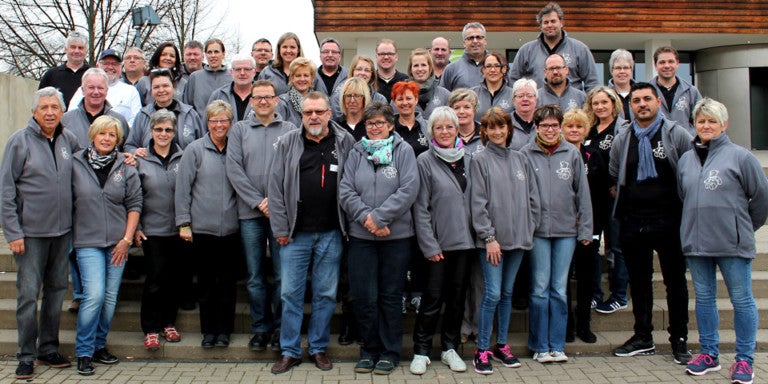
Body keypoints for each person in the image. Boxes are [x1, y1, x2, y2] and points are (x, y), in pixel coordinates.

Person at [679, 98, 768, 384]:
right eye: (701, 121)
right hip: (696, 243)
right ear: (694, 124)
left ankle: (744, 359)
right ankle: (709, 354)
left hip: (732, 244)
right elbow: (685, 196)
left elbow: (761, 199)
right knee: (704, 300)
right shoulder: (686, 159)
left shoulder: (741, 157)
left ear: (724, 125)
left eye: (712, 121)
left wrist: (742, 228)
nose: (706, 125)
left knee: (741, 300)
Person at [268, 92, 355, 374]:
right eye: (308, 113)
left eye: (319, 111)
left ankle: (318, 348)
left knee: (326, 294)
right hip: (295, 234)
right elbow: (276, 188)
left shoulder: (344, 142)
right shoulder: (287, 143)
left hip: (332, 232)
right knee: (290, 294)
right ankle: (290, 350)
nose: (313, 117)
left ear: (330, 113)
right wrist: (280, 228)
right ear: (301, 116)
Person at [609, 82, 692, 364]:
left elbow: (689, 170)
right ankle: (643, 336)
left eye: (647, 99)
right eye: (636, 100)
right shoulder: (623, 137)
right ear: (629, 105)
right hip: (634, 221)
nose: (641, 104)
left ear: (658, 102)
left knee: (675, 283)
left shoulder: (676, 134)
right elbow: (614, 170)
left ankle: (678, 338)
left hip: (670, 221)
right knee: (640, 283)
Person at [1, 87, 79, 380]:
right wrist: (13, 232)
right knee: (28, 295)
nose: (49, 112)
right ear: (34, 112)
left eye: (54, 108)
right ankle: (26, 355)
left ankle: (48, 348)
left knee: (57, 291)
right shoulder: (18, 142)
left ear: (61, 113)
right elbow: (6, 191)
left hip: (62, 233)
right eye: (44, 107)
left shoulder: (67, 140)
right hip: (30, 235)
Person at [340, 102, 419, 375]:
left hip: (395, 238)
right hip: (362, 238)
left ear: (390, 125)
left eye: (379, 123)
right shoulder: (356, 152)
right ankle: (369, 350)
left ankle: (389, 352)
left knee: (389, 296)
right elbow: (346, 190)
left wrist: (381, 218)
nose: (374, 128)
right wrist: (367, 219)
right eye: (370, 123)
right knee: (364, 296)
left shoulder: (404, 151)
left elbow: (408, 189)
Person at [226, 80, 296, 353]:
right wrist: (258, 202)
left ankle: (280, 329)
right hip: (249, 214)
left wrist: (274, 203)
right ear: (251, 101)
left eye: (269, 96)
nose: (264, 101)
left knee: (282, 276)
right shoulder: (240, 130)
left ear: (277, 100)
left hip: (281, 215)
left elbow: (293, 171)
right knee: (255, 276)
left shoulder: (290, 130)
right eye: (258, 97)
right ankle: (260, 329)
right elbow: (234, 170)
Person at [470, 107, 540, 375]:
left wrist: (529, 227)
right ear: (485, 132)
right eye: (492, 127)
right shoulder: (479, 160)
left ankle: (501, 345)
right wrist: (488, 237)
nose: (497, 132)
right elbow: (478, 203)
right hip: (493, 243)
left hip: (519, 240)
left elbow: (532, 198)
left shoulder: (520, 159)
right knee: (492, 294)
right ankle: (482, 349)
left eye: (502, 127)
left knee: (508, 294)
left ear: (509, 129)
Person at [71, 115, 141, 375]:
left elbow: (134, 205)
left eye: (112, 135)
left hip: (116, 243)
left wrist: (126, 239)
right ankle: (84, 351)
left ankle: (99, 345)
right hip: (87, 242)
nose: (106, 139)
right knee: (95, 295)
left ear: (118, 140)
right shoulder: (76, 163)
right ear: (93, 135)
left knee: (110, 299)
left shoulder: (126, 165)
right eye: (102, 134)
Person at [523, 104, 592, 364]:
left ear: (560, 127)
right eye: (544, 126)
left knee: (559, 290)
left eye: (554, 125)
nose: (550, 130)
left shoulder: (572, 155)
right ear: (536, 127)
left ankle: (557, 344)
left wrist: (585, 228)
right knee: (540, 288)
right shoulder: (525, 154)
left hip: (566, 232)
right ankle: (540, 345)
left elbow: (582, 195)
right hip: (537, 232)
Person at [408, 106, 473, 375]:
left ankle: (450, 348)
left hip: (466, 243)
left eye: (449, 127)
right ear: (431, 131)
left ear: (457, 129)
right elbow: (420, 208)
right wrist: (429, 245)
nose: (444, 132)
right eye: (438, 127)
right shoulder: (424, 160)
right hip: (438, 245)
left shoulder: (470, 159)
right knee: (432, 299)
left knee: (457, 299)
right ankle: (421, 351)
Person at [175, 100, 239, 349]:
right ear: (207, 122)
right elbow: (182, 189)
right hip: (202, 229)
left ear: (230, 123)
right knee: (206, 284)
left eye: (224, 120)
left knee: (227, 284)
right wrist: (183, 223)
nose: (219, 125)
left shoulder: (236, 147)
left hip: (232, 230)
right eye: (214, 120)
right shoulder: (195, 149)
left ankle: (224, 331)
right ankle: (208, 331)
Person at [135, 109, 187, 351]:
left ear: (174, 132)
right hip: (152, 230)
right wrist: (136, 227)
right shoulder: (138, 160)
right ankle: (151, 328)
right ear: (151, 131)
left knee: (174, 279)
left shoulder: (184, 157)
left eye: (168, 130)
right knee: (155, 280)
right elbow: (133, 197)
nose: (163, 134)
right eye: (159, 129)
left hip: (178, 229)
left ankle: (168, 322)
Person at [561, 108, 608, 344]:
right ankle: (567, 325)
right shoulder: (557, 155)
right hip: (565, 227)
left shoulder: (594, 156)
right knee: (564, 279)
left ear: (585, 130)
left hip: (590, 227)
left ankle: (584, 324)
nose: (574, 130)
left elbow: (600, 194)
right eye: (570, 126)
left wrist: (594, 225)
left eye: (579, 127)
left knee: (587, 279)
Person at [583, 86, 630, 315]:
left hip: (613, 197)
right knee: (591, 246)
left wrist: (618, 186)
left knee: (617, 247)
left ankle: (619, 295)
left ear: (613, 103)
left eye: (604, 102)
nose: (600, 107)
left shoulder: (623, 129)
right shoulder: (588, 130)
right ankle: (594, 294)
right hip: (591, 198)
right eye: (596, 103)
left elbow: (627, 160)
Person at [508, 2, 599, 93]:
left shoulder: (580, 49)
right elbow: (513, 81)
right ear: (540, 26)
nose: (550, 25)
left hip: (571, 106)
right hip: (538, 105)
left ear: (561, 23)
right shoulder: (526, 50)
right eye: (546, 22)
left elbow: (592, 83)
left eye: (553, 21)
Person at [125, 68, 203, 154]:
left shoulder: (190, 114)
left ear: (173, 87)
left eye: (165, 86)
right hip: (151, 165)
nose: (161, 90)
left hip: (185, 165)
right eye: (156, 87)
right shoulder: (143, 115)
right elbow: (129, 146)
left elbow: (202, 145)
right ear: (151, 90)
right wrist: (135, 151)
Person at [69, 49, 142, 128]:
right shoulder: (84, 89)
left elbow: (136, 121)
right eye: (106, 63)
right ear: (98, 66)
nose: (110, 67)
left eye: (115, 64)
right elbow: (72, 116)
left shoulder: (131, 91)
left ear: (121, 68)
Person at [62, 68, 130, 151]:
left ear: (107, 90)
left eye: (100, 88)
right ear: (83, 90)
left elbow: (127, 149)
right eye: (91, 87)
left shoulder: (119, 120)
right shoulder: (66, 120)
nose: (96, 92)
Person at [649, 46, 702, 135]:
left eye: (671, 61)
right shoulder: (646, 91)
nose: (667, 65)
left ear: (677, 63)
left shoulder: (691, 91)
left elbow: (701, 119)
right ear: (655, 65)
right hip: (657, 146)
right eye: (662, 62)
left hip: (686, 146)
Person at [38, 31, 90, 106]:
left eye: (80, 48)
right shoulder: (51, 75)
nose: (76, 51)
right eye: (73, 47)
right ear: (66, 49)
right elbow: (41, 103)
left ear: (86, 51)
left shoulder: (93, 74)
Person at [330, 55, 387, 119]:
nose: (362, 73)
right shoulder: (339, 96)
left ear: (372, 75)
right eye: (359, 69)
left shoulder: (380, 99)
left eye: (367, 70)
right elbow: (336, 121)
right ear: (352, 71)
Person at [184, 39, 232, 114]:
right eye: (209, 52)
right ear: (205, 55)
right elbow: (187, 106)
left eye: (216, 52)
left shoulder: (232, 77)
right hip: (200, 124)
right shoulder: (195, 77)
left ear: (223, 53)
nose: (213, 55)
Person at [207, 54, 256, 122]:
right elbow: (207, 124)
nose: (242, 73)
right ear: (231, 72)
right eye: (238, 69)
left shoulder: (264, 96)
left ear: (254, 72)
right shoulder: (218, 95)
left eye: (247, 69)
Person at [440, 22, 487, 91]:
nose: (475, 41)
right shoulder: (452, 69)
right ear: (464, 43)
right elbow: (443, 98)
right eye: (470, 38)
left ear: (485, 41)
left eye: (479, 37)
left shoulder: (496, 67)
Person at [405, 48, 450, 119]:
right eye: (416, 65)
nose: (420, 69)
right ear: (410, 69)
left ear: (430, 68)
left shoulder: (444, 95)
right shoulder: (400, 94)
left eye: (423, 65)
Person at [392, 81, 430, 158]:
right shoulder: (390, 128)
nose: (405, 103)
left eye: (408, 98)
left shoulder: (428, 126)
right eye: (400, 99)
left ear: (416, 100)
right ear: (394, 102)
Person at [471, 52, 513, 120]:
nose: (492, 70)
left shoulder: (513, 95)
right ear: (483, 70)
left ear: (504, 69)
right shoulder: (472, 94)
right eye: (488, 66)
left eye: (497, 66)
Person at [278, 57, 318, 127]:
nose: (302, 79)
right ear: (292, 78)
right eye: (298, 76)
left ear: (312, 78)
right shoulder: (282, 102)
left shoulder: (319, 101)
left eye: (306, 75)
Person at [509, 78, 539, 150]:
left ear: (536, 99)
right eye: (520, 96)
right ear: (513, 100)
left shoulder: (544, 122)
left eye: (529, 95)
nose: (525, 99)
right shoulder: (505, 123)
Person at [608, 49, 636, 121]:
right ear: (611, 70)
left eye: (626, 68)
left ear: (631, 70)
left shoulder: (641, 92)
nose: (622, 71)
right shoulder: (606, 95)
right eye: (618, 68)